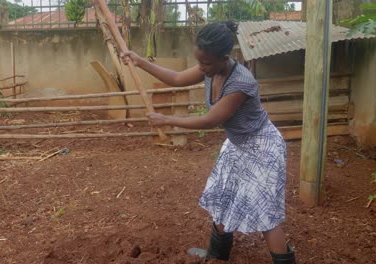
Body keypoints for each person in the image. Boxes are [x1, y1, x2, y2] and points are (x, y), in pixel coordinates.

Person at [121, 21, 296, 264]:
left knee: (266, 216)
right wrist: (140, 61)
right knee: (221, 198)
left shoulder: (241, 83)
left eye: (206, 63)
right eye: (199, 61)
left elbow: (209, 121)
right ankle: (217, 256)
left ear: (225, 57)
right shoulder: (210, 68)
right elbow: (177, 78)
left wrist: (166, 119)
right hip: (237, 145)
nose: (201, 68)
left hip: (261, 148)